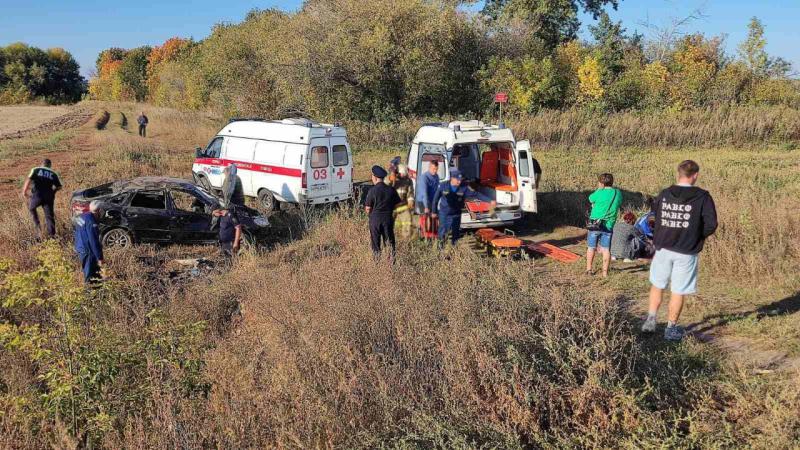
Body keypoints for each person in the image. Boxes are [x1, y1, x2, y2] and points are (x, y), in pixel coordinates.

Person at [642, 160, 718, 341]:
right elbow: (711, 224)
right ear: (695, 175)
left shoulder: (665, 193)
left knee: (657, 284)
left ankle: (650, 321)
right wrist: (697, 236)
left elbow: (653, 217)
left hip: (663, 247)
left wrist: (659, 234)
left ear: (678, 173)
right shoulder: (703, 197)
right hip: (687, 250)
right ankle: (671, 328)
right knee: (678, 290)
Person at [432, 169, 496, 246]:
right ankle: (440, 251)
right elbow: (435, 199)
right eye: (457, 180)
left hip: (456, 214)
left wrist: (489, 200)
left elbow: (477, 194)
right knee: (442, 233)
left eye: (460, 180)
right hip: (444, 213)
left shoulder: (464, 187)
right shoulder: (443, 185)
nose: (459, 181)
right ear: (452, 178)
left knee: (456, 234)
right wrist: (434, 211)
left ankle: (454, 251)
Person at [586, 173, 623, 277]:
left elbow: (590, 199)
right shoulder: (617, 193)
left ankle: (589, 269)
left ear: (601, 183)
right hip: (609, 225)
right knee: (606, 249)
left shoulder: (599, 192)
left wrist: (599, 189)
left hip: (595, 224)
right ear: (612, 181)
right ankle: (604, 273)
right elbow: (619, 204)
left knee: (591, 247)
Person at [365, 165, 402, 260]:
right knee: (389, 244)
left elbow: (368, 208)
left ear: (375, 177)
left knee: (376, 245)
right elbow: (398, 205)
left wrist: (371, 215)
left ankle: (377, 265)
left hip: (375, 221)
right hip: (388, 220)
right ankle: (391, 265)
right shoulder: (391, 190)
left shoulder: (372, 191)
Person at [22, 158, 62, 238]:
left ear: (42, 164)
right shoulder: (53, 173)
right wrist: (53, 192)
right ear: (50, 165)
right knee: (49, 216)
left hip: (37, 194)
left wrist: (24, 191)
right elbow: (59, 186)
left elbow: (28, 180)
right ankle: (52, 235)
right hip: (49, 197)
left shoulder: (36, 169)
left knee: (32, 208)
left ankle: (38, 230)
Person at [74, 200, 104, 284]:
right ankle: (89, 293)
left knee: (92, 273)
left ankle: (96, 291)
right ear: (99, 210)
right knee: (89, 275)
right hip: (88, 251)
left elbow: (76, 231)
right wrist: (99, 257)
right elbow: (93, 240)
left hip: (80, 248)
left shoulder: (81, 217)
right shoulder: (91, 222)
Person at [415, 159, 441, 238]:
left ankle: (433, 236)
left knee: (434, 218)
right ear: (429, 167)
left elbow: (437, 191)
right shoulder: (424, 178)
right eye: (433, 169)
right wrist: (426, 206)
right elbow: (424, 193)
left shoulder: (436, 177)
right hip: (422, 201)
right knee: (425, 218)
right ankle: (423, 236)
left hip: (431, 201)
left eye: (436, 169)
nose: (435, 171)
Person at [392, 164, 415, 239]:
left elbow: (410, 192)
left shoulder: (408, 181)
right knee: (390, 222)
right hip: (392, 206)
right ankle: (392, 237)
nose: (403, 176)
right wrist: (391, 179)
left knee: (408, 220)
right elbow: (386, 185)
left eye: (404, 174)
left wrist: (411, 200)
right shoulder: (393, 179)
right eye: (402, 174)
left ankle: (406, 239)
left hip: (403, 205)